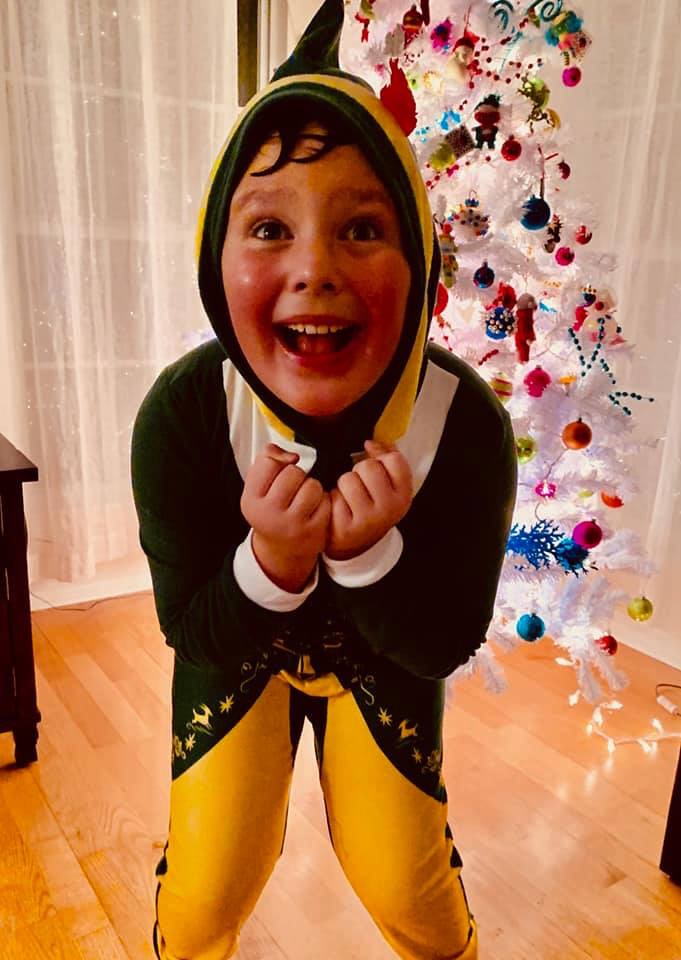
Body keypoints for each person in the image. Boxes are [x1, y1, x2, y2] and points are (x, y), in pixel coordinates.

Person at [131, 2, 517, 957]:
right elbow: (194, 631)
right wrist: (271, 558)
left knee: (409, 890)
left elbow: (439, 642)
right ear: (213, 265)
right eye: (267, 228)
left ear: (420, 261)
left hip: (386, 663)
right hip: (238, 657)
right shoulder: (182, 415)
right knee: (203, 900)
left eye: (361, 228)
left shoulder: (464, 428)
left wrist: (361, 553)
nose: (314, 270)